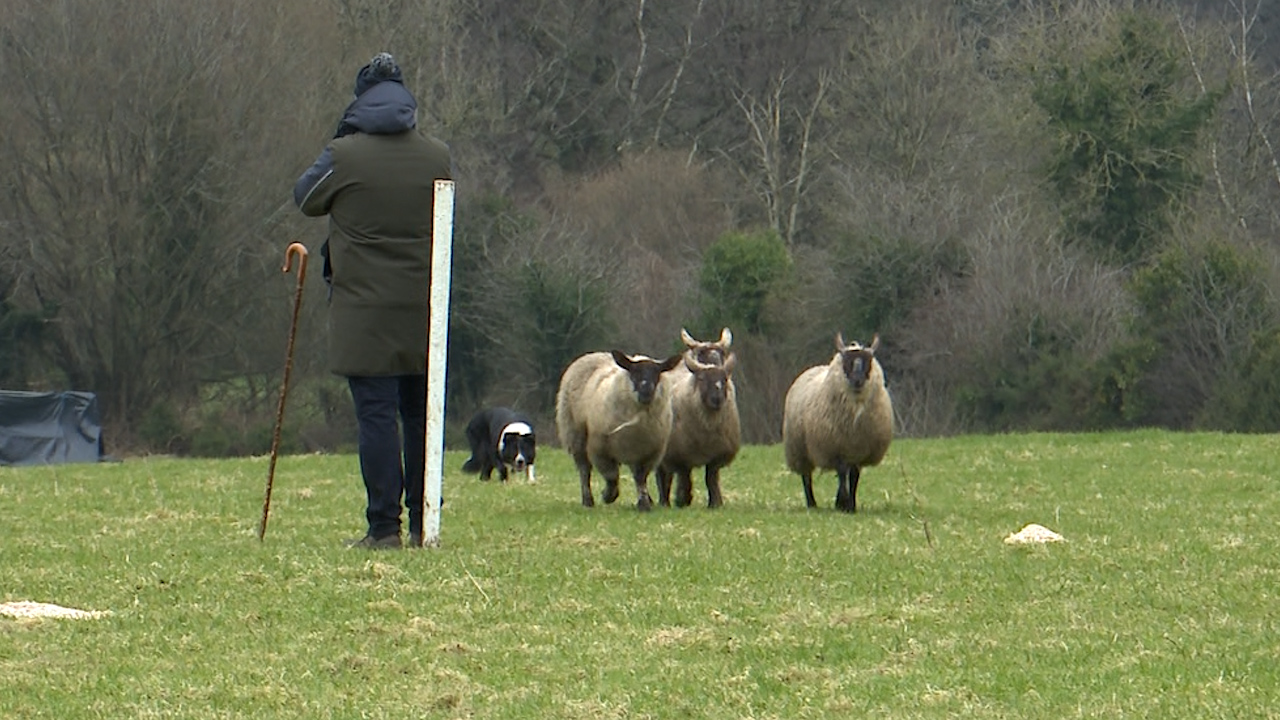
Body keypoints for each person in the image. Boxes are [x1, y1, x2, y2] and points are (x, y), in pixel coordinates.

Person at [293, 52, 454, 549]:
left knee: (377, 417)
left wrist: (342, 137)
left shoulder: (344, 156)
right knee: (419, 415)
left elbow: (305, 197)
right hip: (425, 309)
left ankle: (384, 527)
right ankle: (425, 519)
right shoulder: (436, 156)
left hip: (363, 314)